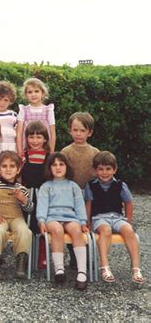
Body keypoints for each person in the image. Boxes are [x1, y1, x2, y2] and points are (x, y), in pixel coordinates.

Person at [85, 151, 145, 284]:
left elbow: (128, 203)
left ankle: (136, 269)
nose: (104, 172)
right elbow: (88, 204)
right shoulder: (91, 186)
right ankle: (105, 267)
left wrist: (128, 220)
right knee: (105, 230)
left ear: (114, 169)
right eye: (100, 169)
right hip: (99, 218)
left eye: (108, 169)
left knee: (129, 231)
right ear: (95, 170)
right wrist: (87, 222)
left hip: (117, 217)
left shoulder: (120, 185)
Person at [36, 152, 89, 290]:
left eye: (61, 164)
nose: (58, 167)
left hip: (70, 217)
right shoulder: (46, 186)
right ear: (49, 168)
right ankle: (59, 270)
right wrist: (41, 221)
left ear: (67, 167)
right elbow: (42, 205)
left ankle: (82, 272)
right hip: (52, 217)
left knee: (76, 231)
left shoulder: (73, 186)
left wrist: (83, 221)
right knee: (57, 230)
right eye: (54, 165)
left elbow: (79, 205)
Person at [0, 151, 32, 280]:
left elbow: (30, 209)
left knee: (24, 231)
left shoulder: (21, 188)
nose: (8, 169)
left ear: (18, 169)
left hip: (16, 217)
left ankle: (20, 263)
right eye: (4, 166)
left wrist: (24, 200)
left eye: (12, 166)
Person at [61, 112, 100, 269]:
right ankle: (74, 256)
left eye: (82, 130)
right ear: (70, 130)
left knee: (87, 225)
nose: (78, 133)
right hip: (70, 196)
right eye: (75, 130)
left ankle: (87, 255)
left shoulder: (95, 152)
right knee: (72, 225)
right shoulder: (66, 152)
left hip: (90, 196)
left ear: (89, 132)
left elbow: (100, 175)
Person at [20, 120, 50, 268]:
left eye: (39, 137)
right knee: (27, 224)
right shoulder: (23, 156)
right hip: (27, 194)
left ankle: (42, 255)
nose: (35, 141)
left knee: (42, 224)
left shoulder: (49, 156)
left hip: (43, 195)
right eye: (31, 137)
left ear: (45, 138)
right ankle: (25, 254)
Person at [16, 78, 56, 154]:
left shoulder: (48, 110)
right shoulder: (23, 110)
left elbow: (52, 133)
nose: (33, 94)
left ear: (43, 93)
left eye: (36, 91)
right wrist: (20, 151)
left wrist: (51, 152)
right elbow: (19, 133)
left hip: (44, 149)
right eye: (30, 92)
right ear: (26, 95)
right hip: (27, 149)